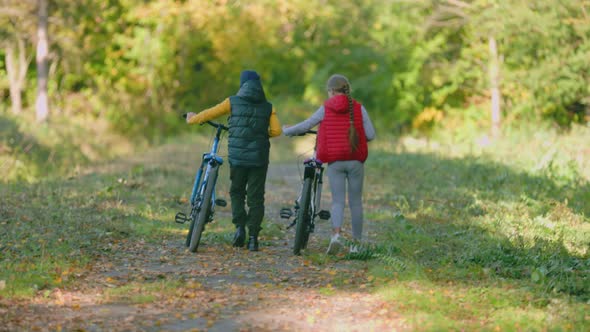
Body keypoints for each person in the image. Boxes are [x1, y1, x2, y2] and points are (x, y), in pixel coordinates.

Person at [185, 70, 282, 252]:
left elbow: (210, 113)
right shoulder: (268, 107)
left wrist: (192, 119)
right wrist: (261, 134)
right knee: (256, 197)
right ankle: (253, 238)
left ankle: (239, 228)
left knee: (237, 192)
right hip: (259, 158)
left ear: (242, 85)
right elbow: (276, 131)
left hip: (238, 158)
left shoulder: (233, 101)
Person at [282, 74, 375, 254]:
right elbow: (370, 135)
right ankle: (357, 245)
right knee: (356, 203)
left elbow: (306, 125)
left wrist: (288, 131)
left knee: (338, 201)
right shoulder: (359, 108)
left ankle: (336, 236)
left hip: (335, 163)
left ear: (331, 91)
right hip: (355, 161)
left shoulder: (326, 108)